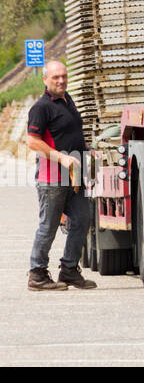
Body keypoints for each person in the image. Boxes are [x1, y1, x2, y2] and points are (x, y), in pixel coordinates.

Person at [26, 60, 96, 290]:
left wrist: (87, 151)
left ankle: (69, 270)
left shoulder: (68, 101)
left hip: (74, 177)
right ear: (45, 79)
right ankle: (37, 274)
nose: (61, 80)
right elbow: (32, 141)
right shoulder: (41, 107)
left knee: (82, 220)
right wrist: (61, 157)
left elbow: (72, 133)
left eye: (64, 76)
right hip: (52, 179)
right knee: (49, 226)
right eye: (56, 77)